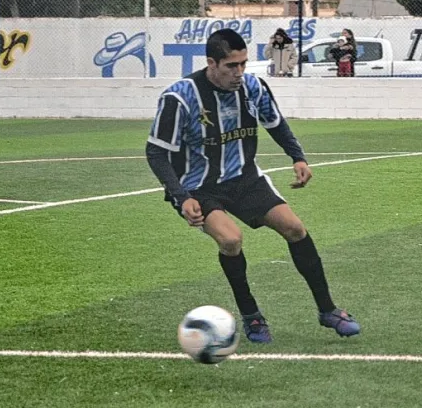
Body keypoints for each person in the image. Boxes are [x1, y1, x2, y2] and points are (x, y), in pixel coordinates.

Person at [145, 29, 360, 343]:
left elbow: (275, 122)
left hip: (244, 177)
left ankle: (328, 310)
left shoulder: (253, 87)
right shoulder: (180, 97)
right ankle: (252, 316)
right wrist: (181, 195)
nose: (239, 73)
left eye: (244, 64)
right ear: (211, 63)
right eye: (231, 66)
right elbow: (156, 152)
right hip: (198, 187)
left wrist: (297, 157)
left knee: (295, 228)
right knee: (231, 240)